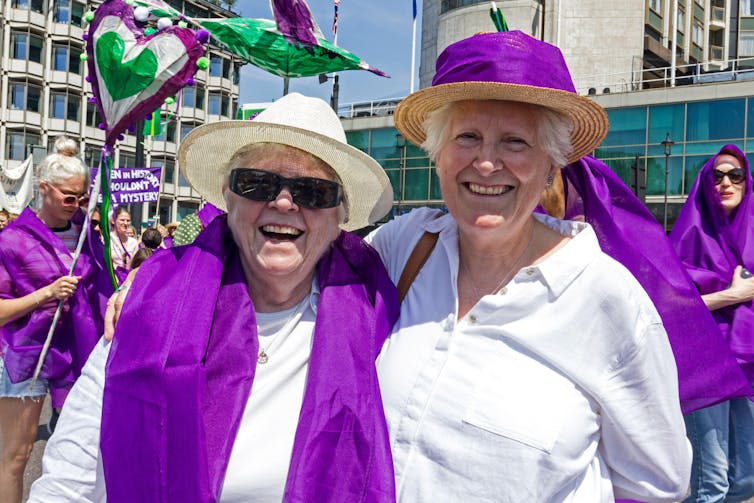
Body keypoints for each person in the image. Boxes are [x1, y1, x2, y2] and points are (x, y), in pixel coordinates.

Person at [366, 31, 692, 501]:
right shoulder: (405, 247)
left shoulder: (606, 299)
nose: (486, 162)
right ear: (437, 155)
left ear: (549, 168)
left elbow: (658, 483)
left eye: (515, 142)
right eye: (468, 137)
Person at [28, 93, 398, 502]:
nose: (283, 202)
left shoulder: (378, 308)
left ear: (340, 216)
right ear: (227, 196)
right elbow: (72, 471)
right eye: (258, 183)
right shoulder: (151, 302)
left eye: (313, 191)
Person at [0, 136, 110, 503]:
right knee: (17, 456)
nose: (75, 205)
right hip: (26, 354)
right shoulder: (12, 240)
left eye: (81, 198)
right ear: (43, 189)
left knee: (77, 454)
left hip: (76, 353)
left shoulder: (89, 237)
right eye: (68, 197)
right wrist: (45, 294)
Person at [670, 144, 754, 502]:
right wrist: (730, 296)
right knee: (711, 480)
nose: (726, 182)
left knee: (748, 478)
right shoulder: (688, 237)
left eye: (735, 175)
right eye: (717, 175)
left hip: (749, 364)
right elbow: (669, 307)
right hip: (704, 362)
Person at [108, 206, 138, 283]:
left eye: (128, 221)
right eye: (122, 220)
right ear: (113, 221)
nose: (125, 223)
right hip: (111, 282)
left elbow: (135, 266)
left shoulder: (133, 242)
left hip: (127, 282)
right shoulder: (107, 240)